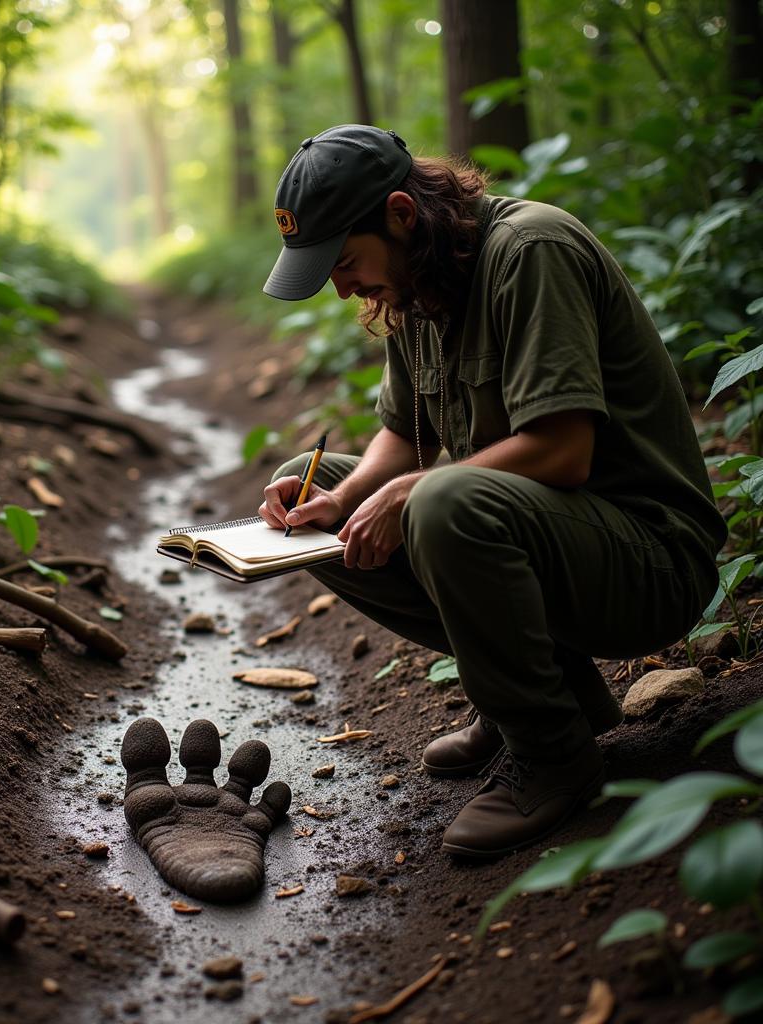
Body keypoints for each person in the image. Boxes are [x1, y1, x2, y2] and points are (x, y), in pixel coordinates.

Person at [258, 124, 726, 859]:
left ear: (402, 214)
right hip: (549, 540)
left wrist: (417, 487)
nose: (341, 286)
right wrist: (336, 503)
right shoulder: (416, 283)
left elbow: (563, 451)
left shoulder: (529, 252)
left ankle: (553, 758)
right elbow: (404, 438)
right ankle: (534, 697)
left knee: (441, 502)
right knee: (315, 481)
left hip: (647, 560)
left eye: (344, 262)